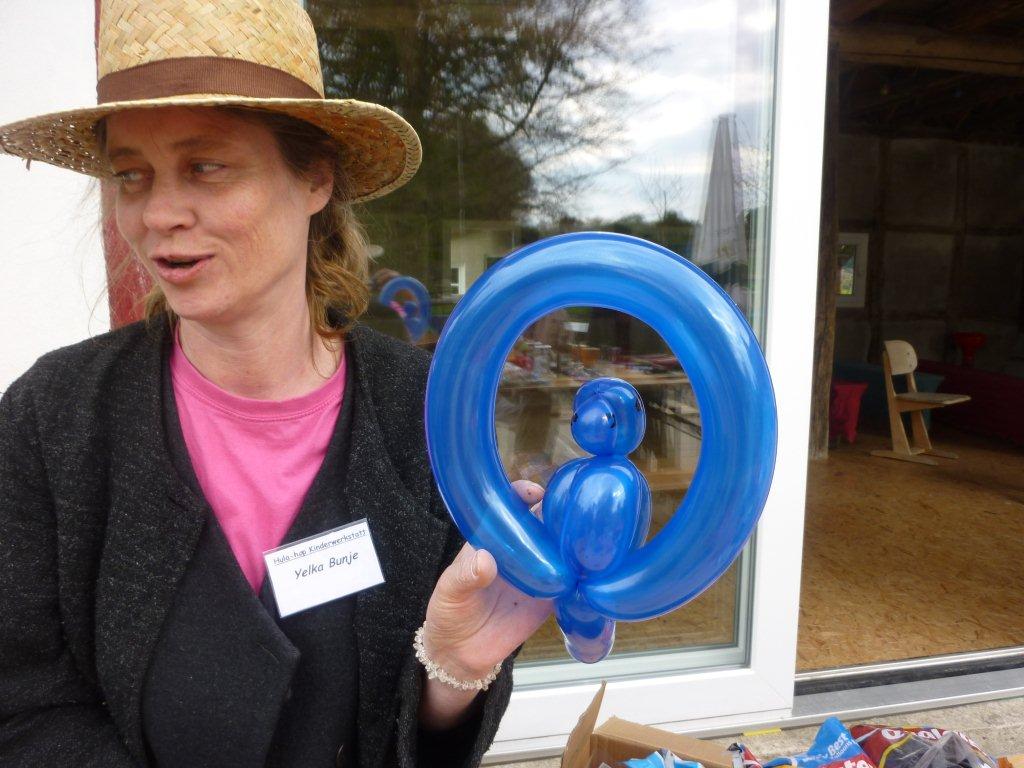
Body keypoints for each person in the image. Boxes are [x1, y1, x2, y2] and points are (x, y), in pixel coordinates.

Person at [0, 1, 551, 766]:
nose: (158, 213)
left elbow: (427, 725)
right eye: (132, 175)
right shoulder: (52, 418)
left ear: (315, 177)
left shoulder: (427, 414)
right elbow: (23, 703)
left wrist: (455, 671)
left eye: (207, 167)